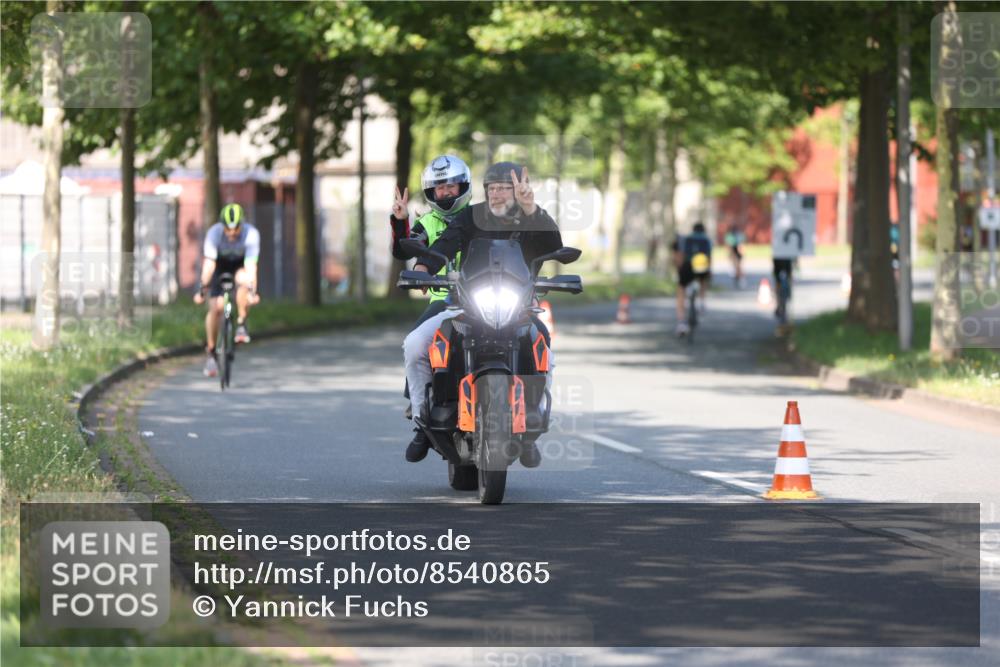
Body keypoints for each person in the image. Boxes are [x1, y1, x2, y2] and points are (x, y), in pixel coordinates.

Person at [402, 161, 562, 466]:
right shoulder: (470, 216)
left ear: (518, 191)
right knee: (415, 345)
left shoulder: (529, 217)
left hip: (518, 308)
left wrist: (532, 208)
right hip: (468, 305)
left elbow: (553, 246)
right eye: (493, 188)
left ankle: (530, 428)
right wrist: (422, 270)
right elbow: (444, 246)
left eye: (505, 188)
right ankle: (422, 422)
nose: (498, 194)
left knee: (545, 349)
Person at [390, 155, 473, 328]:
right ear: (431, 191)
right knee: (415, 342)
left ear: (462, 186)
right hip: (443, 299)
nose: (445, 192)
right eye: (440, 187)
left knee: (528, 332)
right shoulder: (427, 223)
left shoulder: (480, 218)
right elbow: (403, 251)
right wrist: (400, 221)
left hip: (482, 297)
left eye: (451, 186)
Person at [193, 203, 261, 377]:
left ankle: (241, 322)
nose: (231, 233)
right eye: (227, 229)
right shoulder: (214, 234)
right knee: (216, 307)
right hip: (219, 266)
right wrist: (201, 289)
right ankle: (211, 352)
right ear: (221, 225)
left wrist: (253, 292)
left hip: (240, 265)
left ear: (242, 224)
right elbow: (209, 265)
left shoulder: (251, 234)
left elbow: (251, 266)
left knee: (243, 282)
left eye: (235, 229)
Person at [671, 222, 712, 337]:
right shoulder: (706, 240)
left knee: (681, 289)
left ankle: (681, 323)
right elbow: (709, 257)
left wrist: (679, 270)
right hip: (702, 266)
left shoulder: (686, 239)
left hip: (688, 266)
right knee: (703, 280)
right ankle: (702, 302)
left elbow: (680, 255)